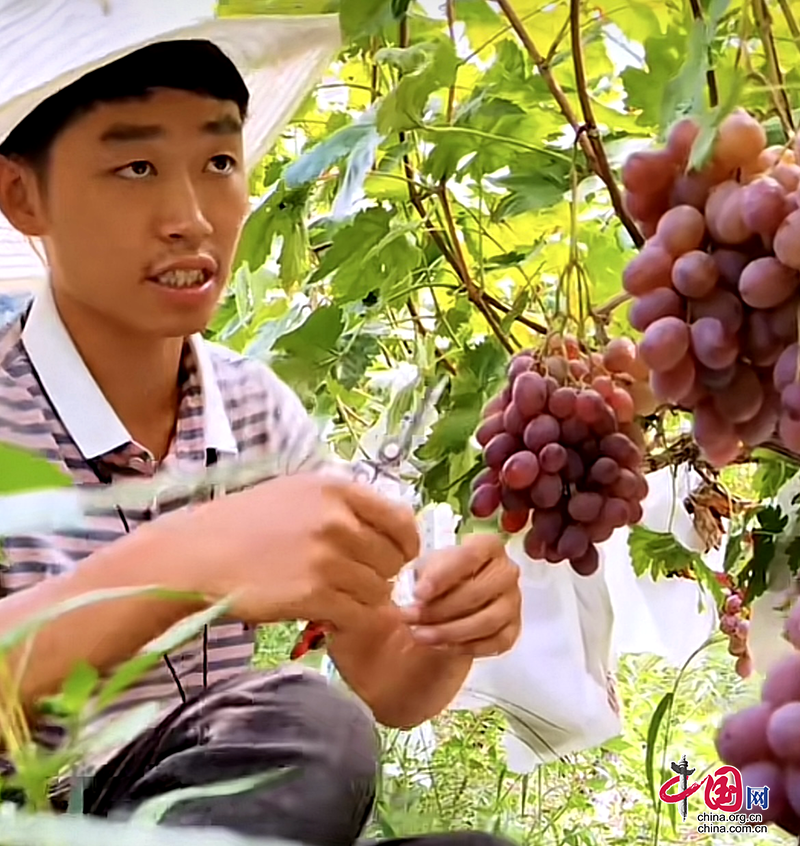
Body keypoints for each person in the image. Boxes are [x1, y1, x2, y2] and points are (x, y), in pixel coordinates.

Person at [0, 4, 522, 846]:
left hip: (219, 814)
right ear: (23, 195)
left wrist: (448, 631)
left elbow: (388, 682)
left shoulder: (255, 409)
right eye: (135, 166)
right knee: (307, 725)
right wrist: (190, 561)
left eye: (217, 160)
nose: (192, 215)